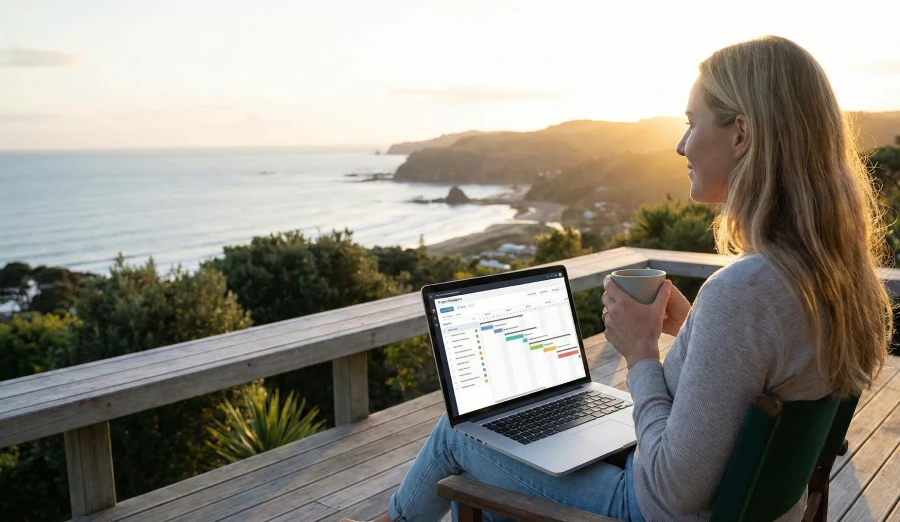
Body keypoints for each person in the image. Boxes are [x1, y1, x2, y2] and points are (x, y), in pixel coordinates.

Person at [342, 35, 893, 522]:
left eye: (691, 122)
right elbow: (756, 371)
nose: (680, 145)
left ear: (741, 134)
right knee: (524, 458)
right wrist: (693, 325)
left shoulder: (745, 292)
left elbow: (669, 497)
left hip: (646, 507)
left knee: (459, 433)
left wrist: (641, 355)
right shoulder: (834, 279)